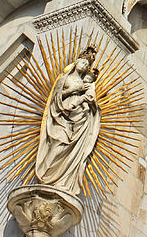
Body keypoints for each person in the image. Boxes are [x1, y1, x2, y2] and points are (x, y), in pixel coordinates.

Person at [35, 46, 101, 193]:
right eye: (82, 63)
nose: (84, 66)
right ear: (76, 62)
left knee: (68, 149)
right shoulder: (65, 78)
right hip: (61, 116)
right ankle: (45, 174)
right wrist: (74, 90)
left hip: (78, 120)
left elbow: (91, 101)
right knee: (57, 144)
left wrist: (87, 98)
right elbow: (57, 96)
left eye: (86, 65)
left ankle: (62, 179)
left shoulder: (87, 84)